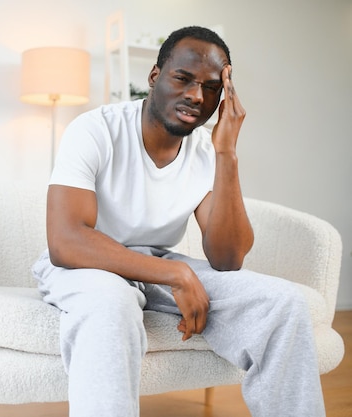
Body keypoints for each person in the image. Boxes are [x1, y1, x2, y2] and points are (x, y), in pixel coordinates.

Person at [31, 26, 325, 417]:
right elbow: (66, 241)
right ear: (154, 77)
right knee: (111, 304)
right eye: (183, 79)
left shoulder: (206, 150)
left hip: (157, 262)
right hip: (88, 261)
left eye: (210, 87)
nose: (195, 96)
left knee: (284, 303)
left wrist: (226, 154)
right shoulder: (96, 129)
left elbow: (228, 257)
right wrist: (177, 276)